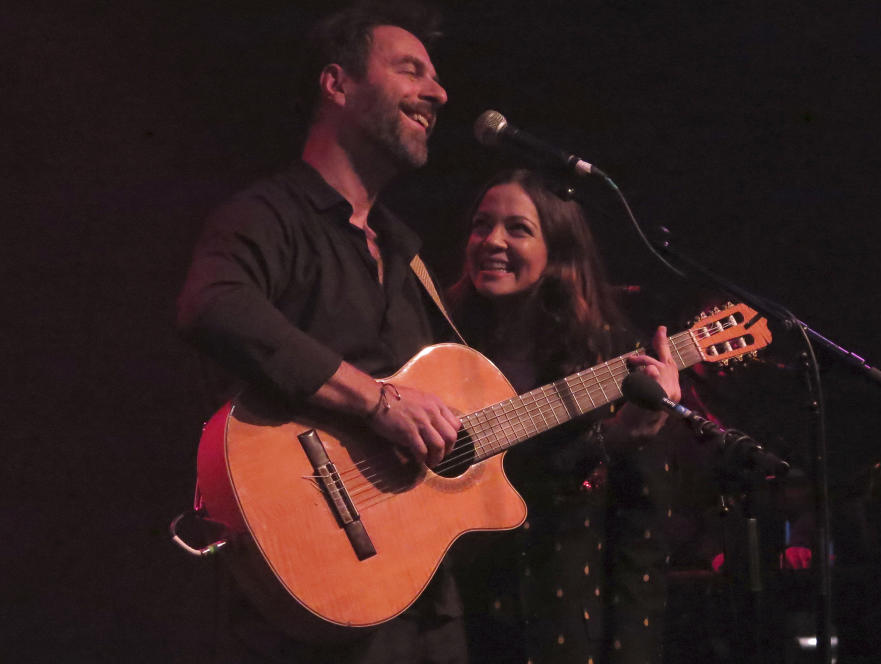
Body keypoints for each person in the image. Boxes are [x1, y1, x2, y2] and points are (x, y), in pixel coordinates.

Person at [176, 2, 467, 662]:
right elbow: (213, 304)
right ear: (337, 85)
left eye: (436, 75)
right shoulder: (268, 214)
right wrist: (377, 401)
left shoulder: (404, 252)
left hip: (422, 603)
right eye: (410, 69)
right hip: (304, 601)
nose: (439, 92)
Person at [446, 168, 682, 664]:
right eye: (480, 225)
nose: (491, 241)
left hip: (556, 628)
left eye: (518, 228)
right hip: (447, 621)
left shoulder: (614, 361)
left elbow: (640, 546)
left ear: (559, 250)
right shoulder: (437, 346)